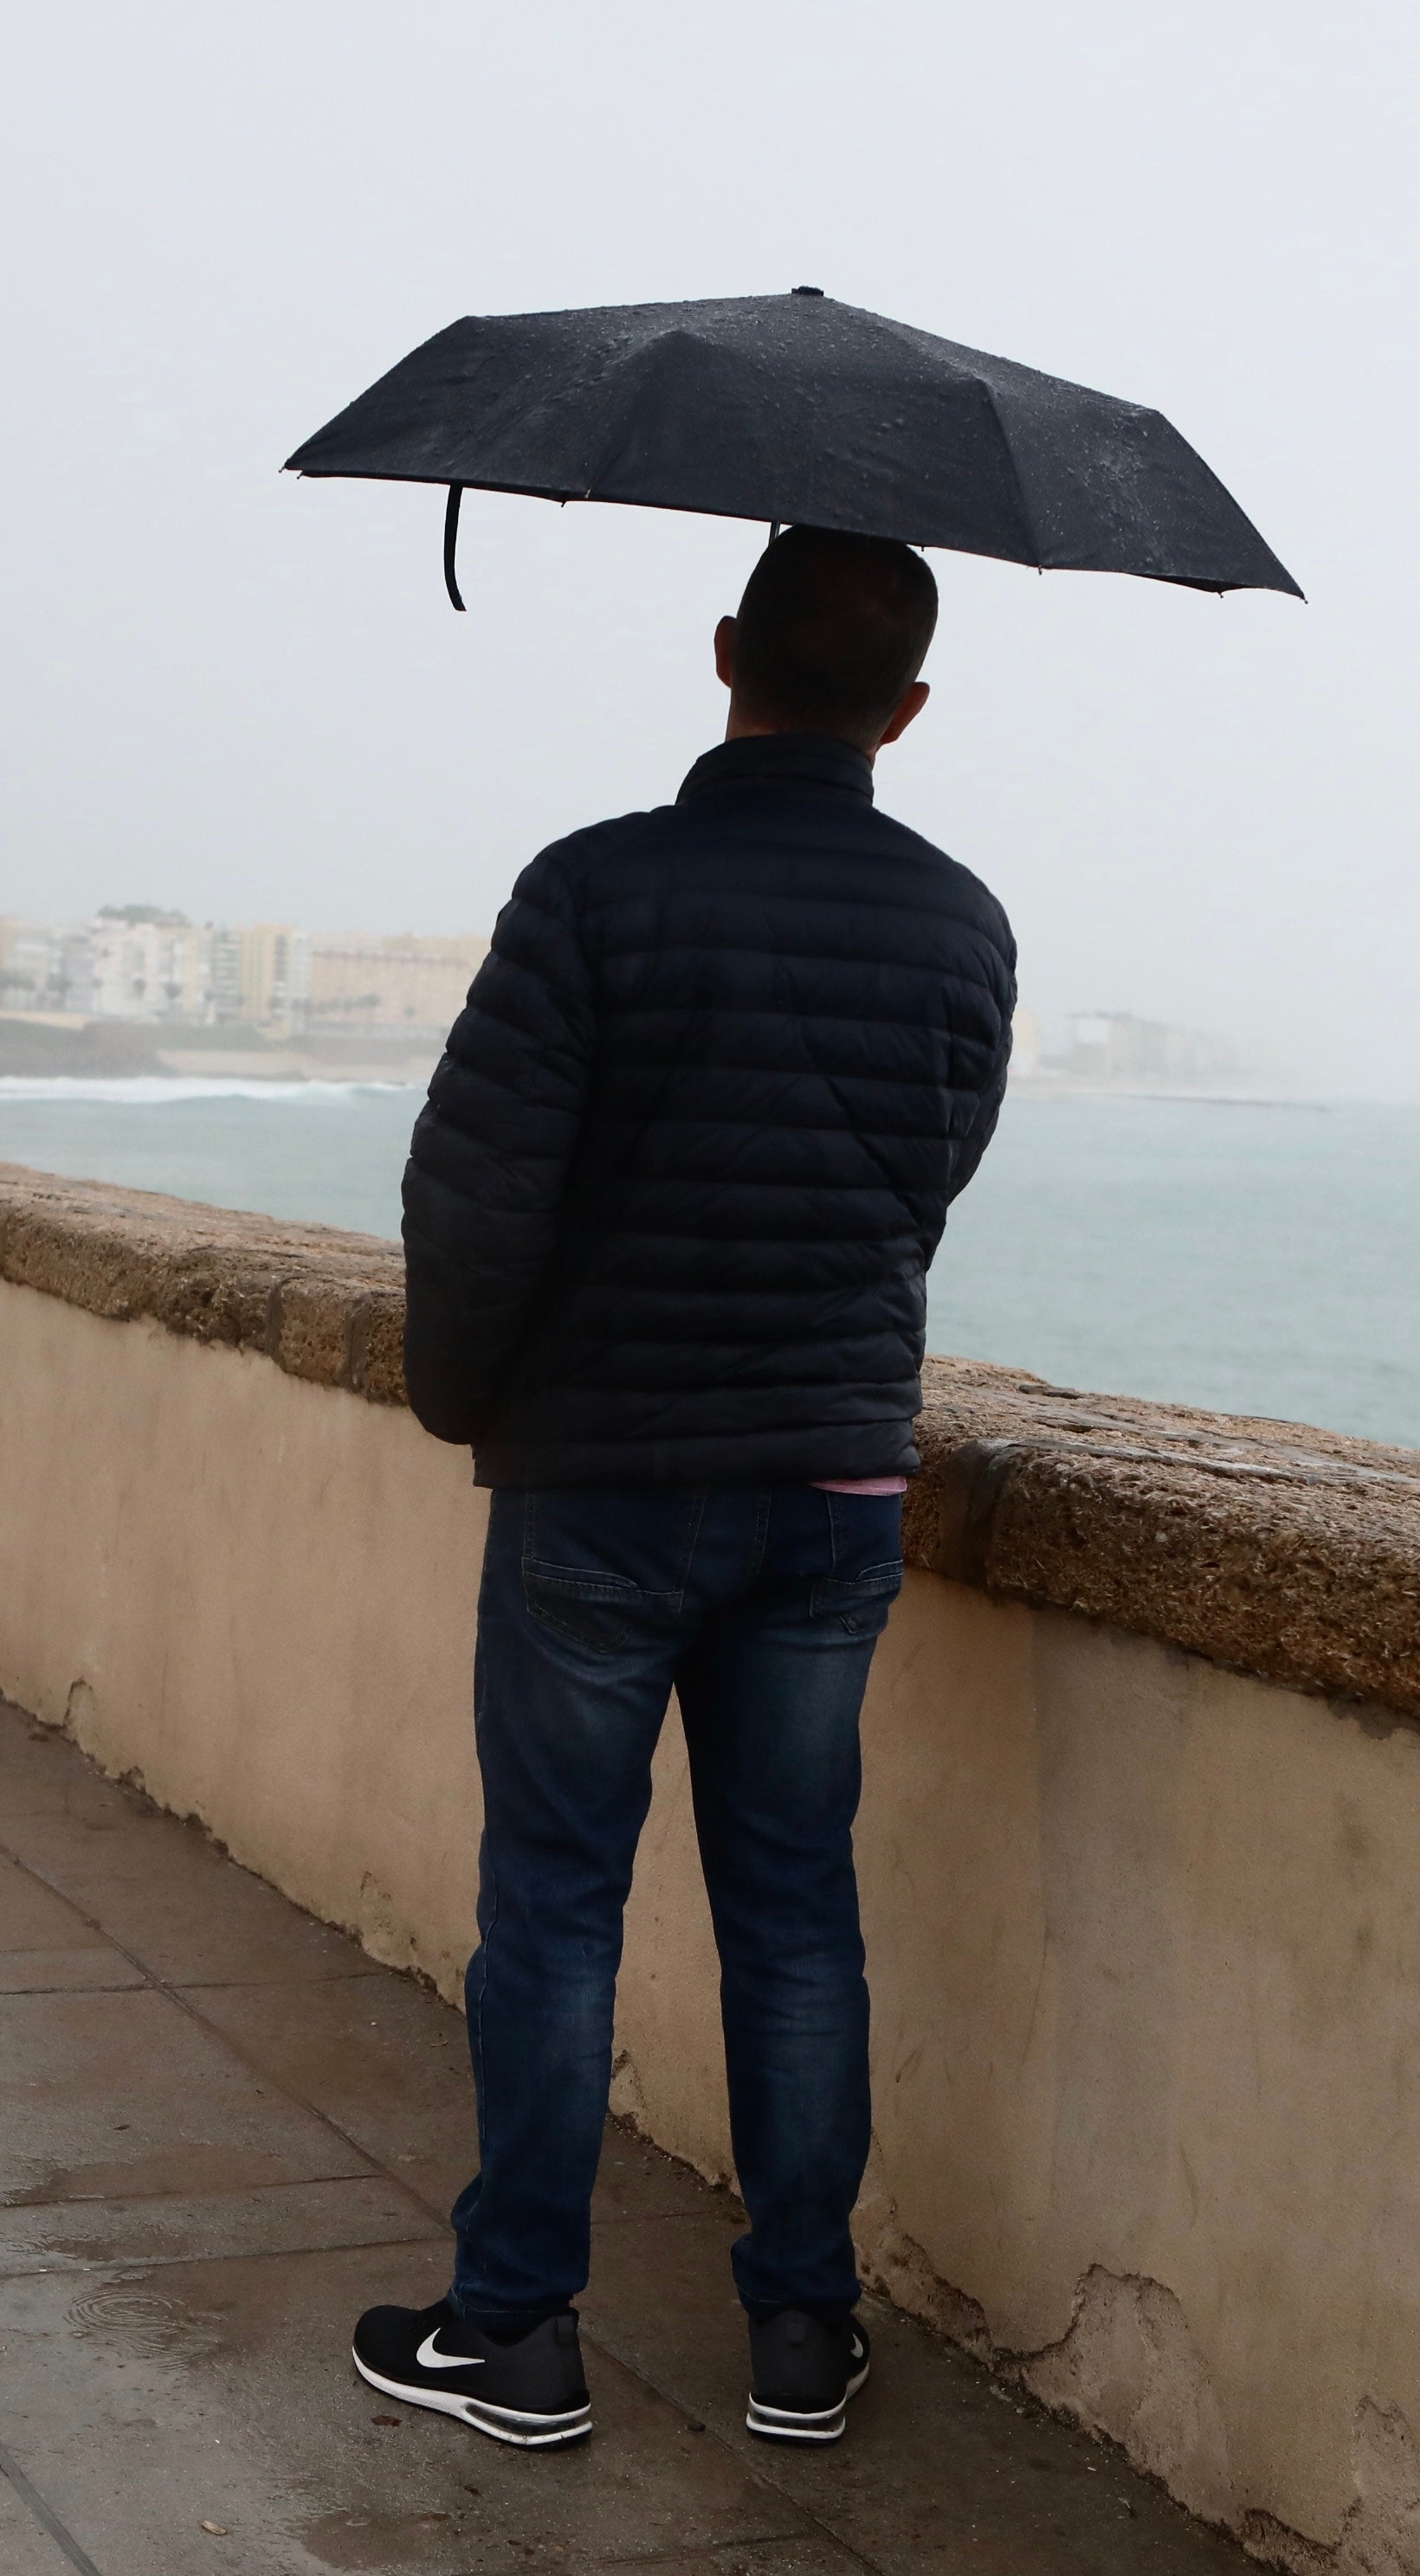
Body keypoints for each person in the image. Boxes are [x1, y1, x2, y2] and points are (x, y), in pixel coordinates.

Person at [352, 529, 1014, 2454]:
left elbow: (475, 1191)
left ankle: (512, 2332)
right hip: (831, 1487)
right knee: (794, 1911)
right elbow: (924, 1178)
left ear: (725, 654)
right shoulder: (961, 924)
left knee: (555, 1907)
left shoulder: (591, 888)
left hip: (604, 1482)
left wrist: (468, 1399)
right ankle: (803, 2330)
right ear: (905, 708)